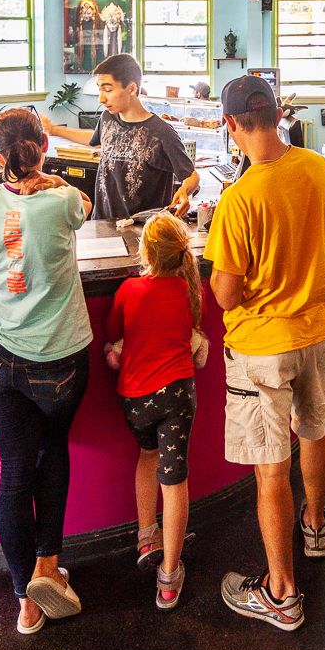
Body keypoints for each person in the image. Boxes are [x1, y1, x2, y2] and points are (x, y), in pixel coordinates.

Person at [203, 75, 325, 631]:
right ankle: (315, 526)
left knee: (272, 467)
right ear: (277, 115)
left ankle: (281, 594)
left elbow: (225, 293)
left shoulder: (240, 199)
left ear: (232, 125)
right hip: (316, 330)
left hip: (262, 344)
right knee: (314, 430)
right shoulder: (319, 168)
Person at [0, 107, 93, 635]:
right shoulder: (61, 201)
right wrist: (51, 180)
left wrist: (8, 265)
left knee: (14, 473)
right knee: (52, 453)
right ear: (43, 146)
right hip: (58, 359)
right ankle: (47, 570)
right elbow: (84, 203)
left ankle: (25, 602)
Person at [105, 212, 203, 612]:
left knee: (147, 458)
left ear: (144, 251)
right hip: (177, 395)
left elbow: (115, 335)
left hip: (135, 399)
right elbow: (194, 333)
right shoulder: (187, 291)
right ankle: (169, 575)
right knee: (174, 479)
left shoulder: (129, 289)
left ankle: (147, 534)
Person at [39, 54, 199, 220]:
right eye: (100, 89)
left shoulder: (162, 132)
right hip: (102, 222)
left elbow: (191, 176)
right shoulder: (107, 118)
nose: (101, 98)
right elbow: (93, 139)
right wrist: (54, 130)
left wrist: (185, 190)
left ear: (131, 89)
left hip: (143, 230)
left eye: (108, 90)